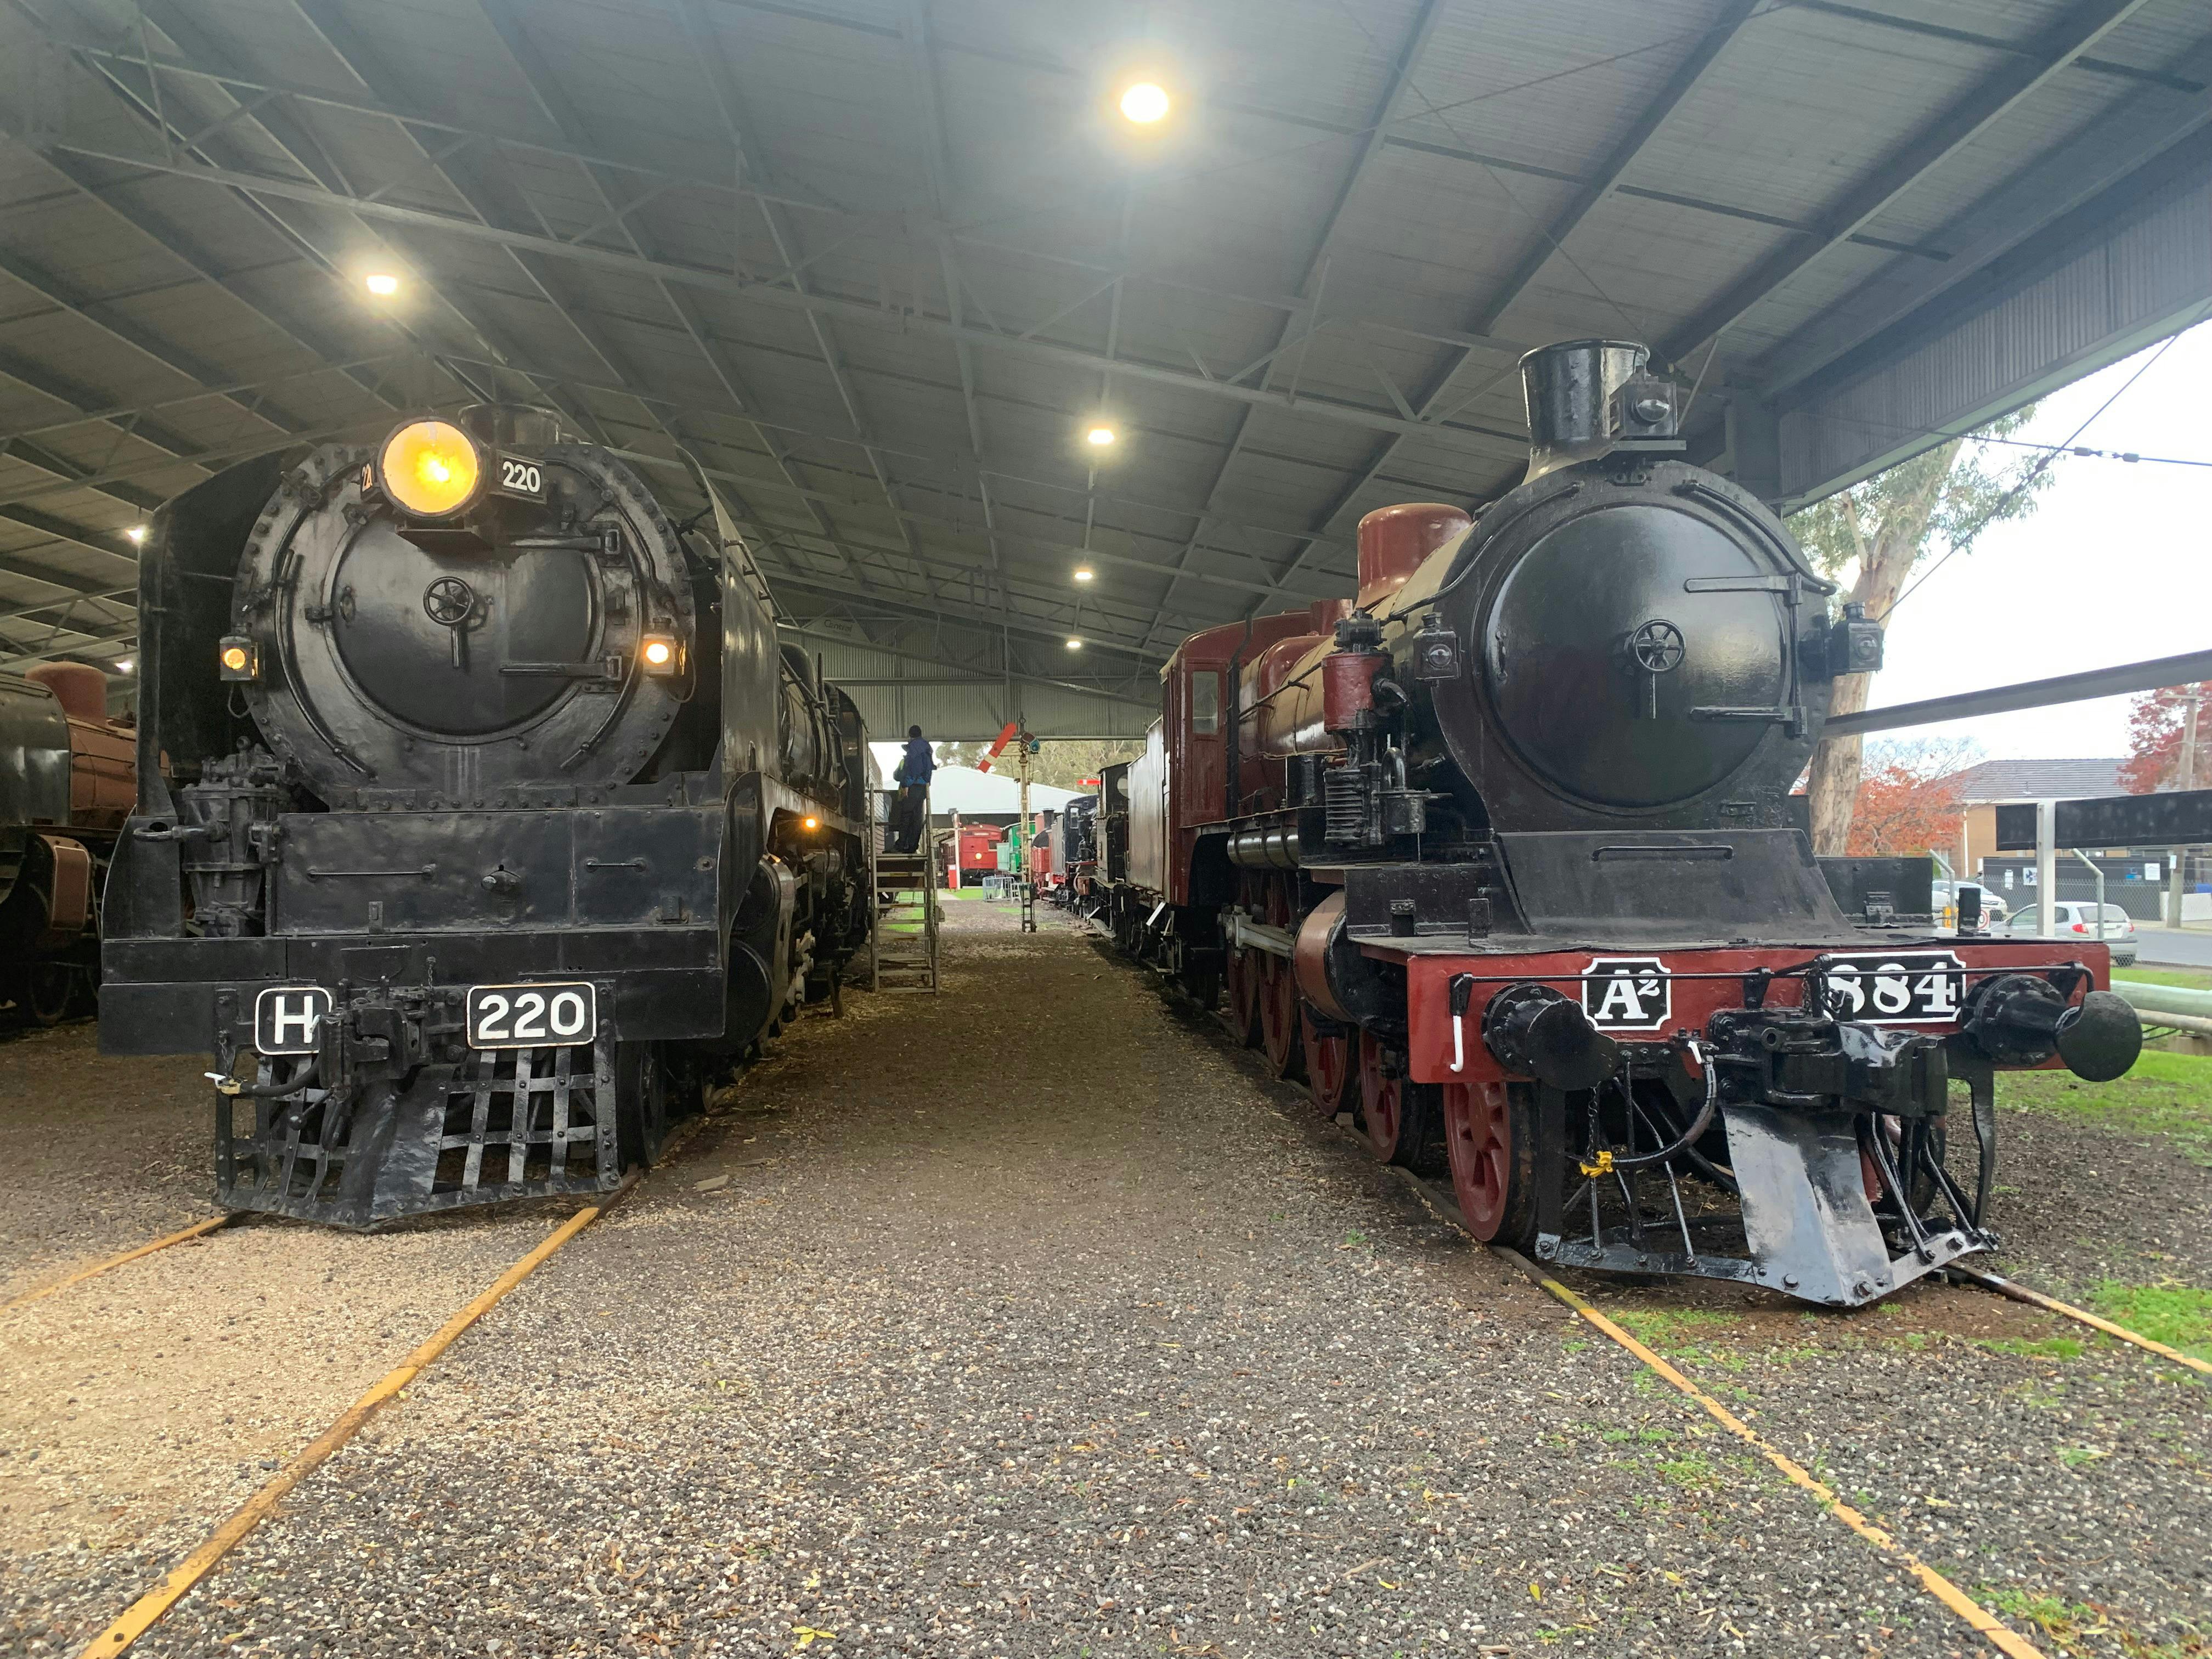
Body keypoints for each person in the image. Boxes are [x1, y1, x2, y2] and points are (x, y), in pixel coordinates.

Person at [891, 725, 934, 853]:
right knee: (917, 818)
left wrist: (906, 785)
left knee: (906, 815)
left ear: (910, 735)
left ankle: (902, 845)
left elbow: (913, 769)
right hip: (923, 786)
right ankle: (913, 846)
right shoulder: (926, 747)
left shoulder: (915, 748)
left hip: (913, 786)